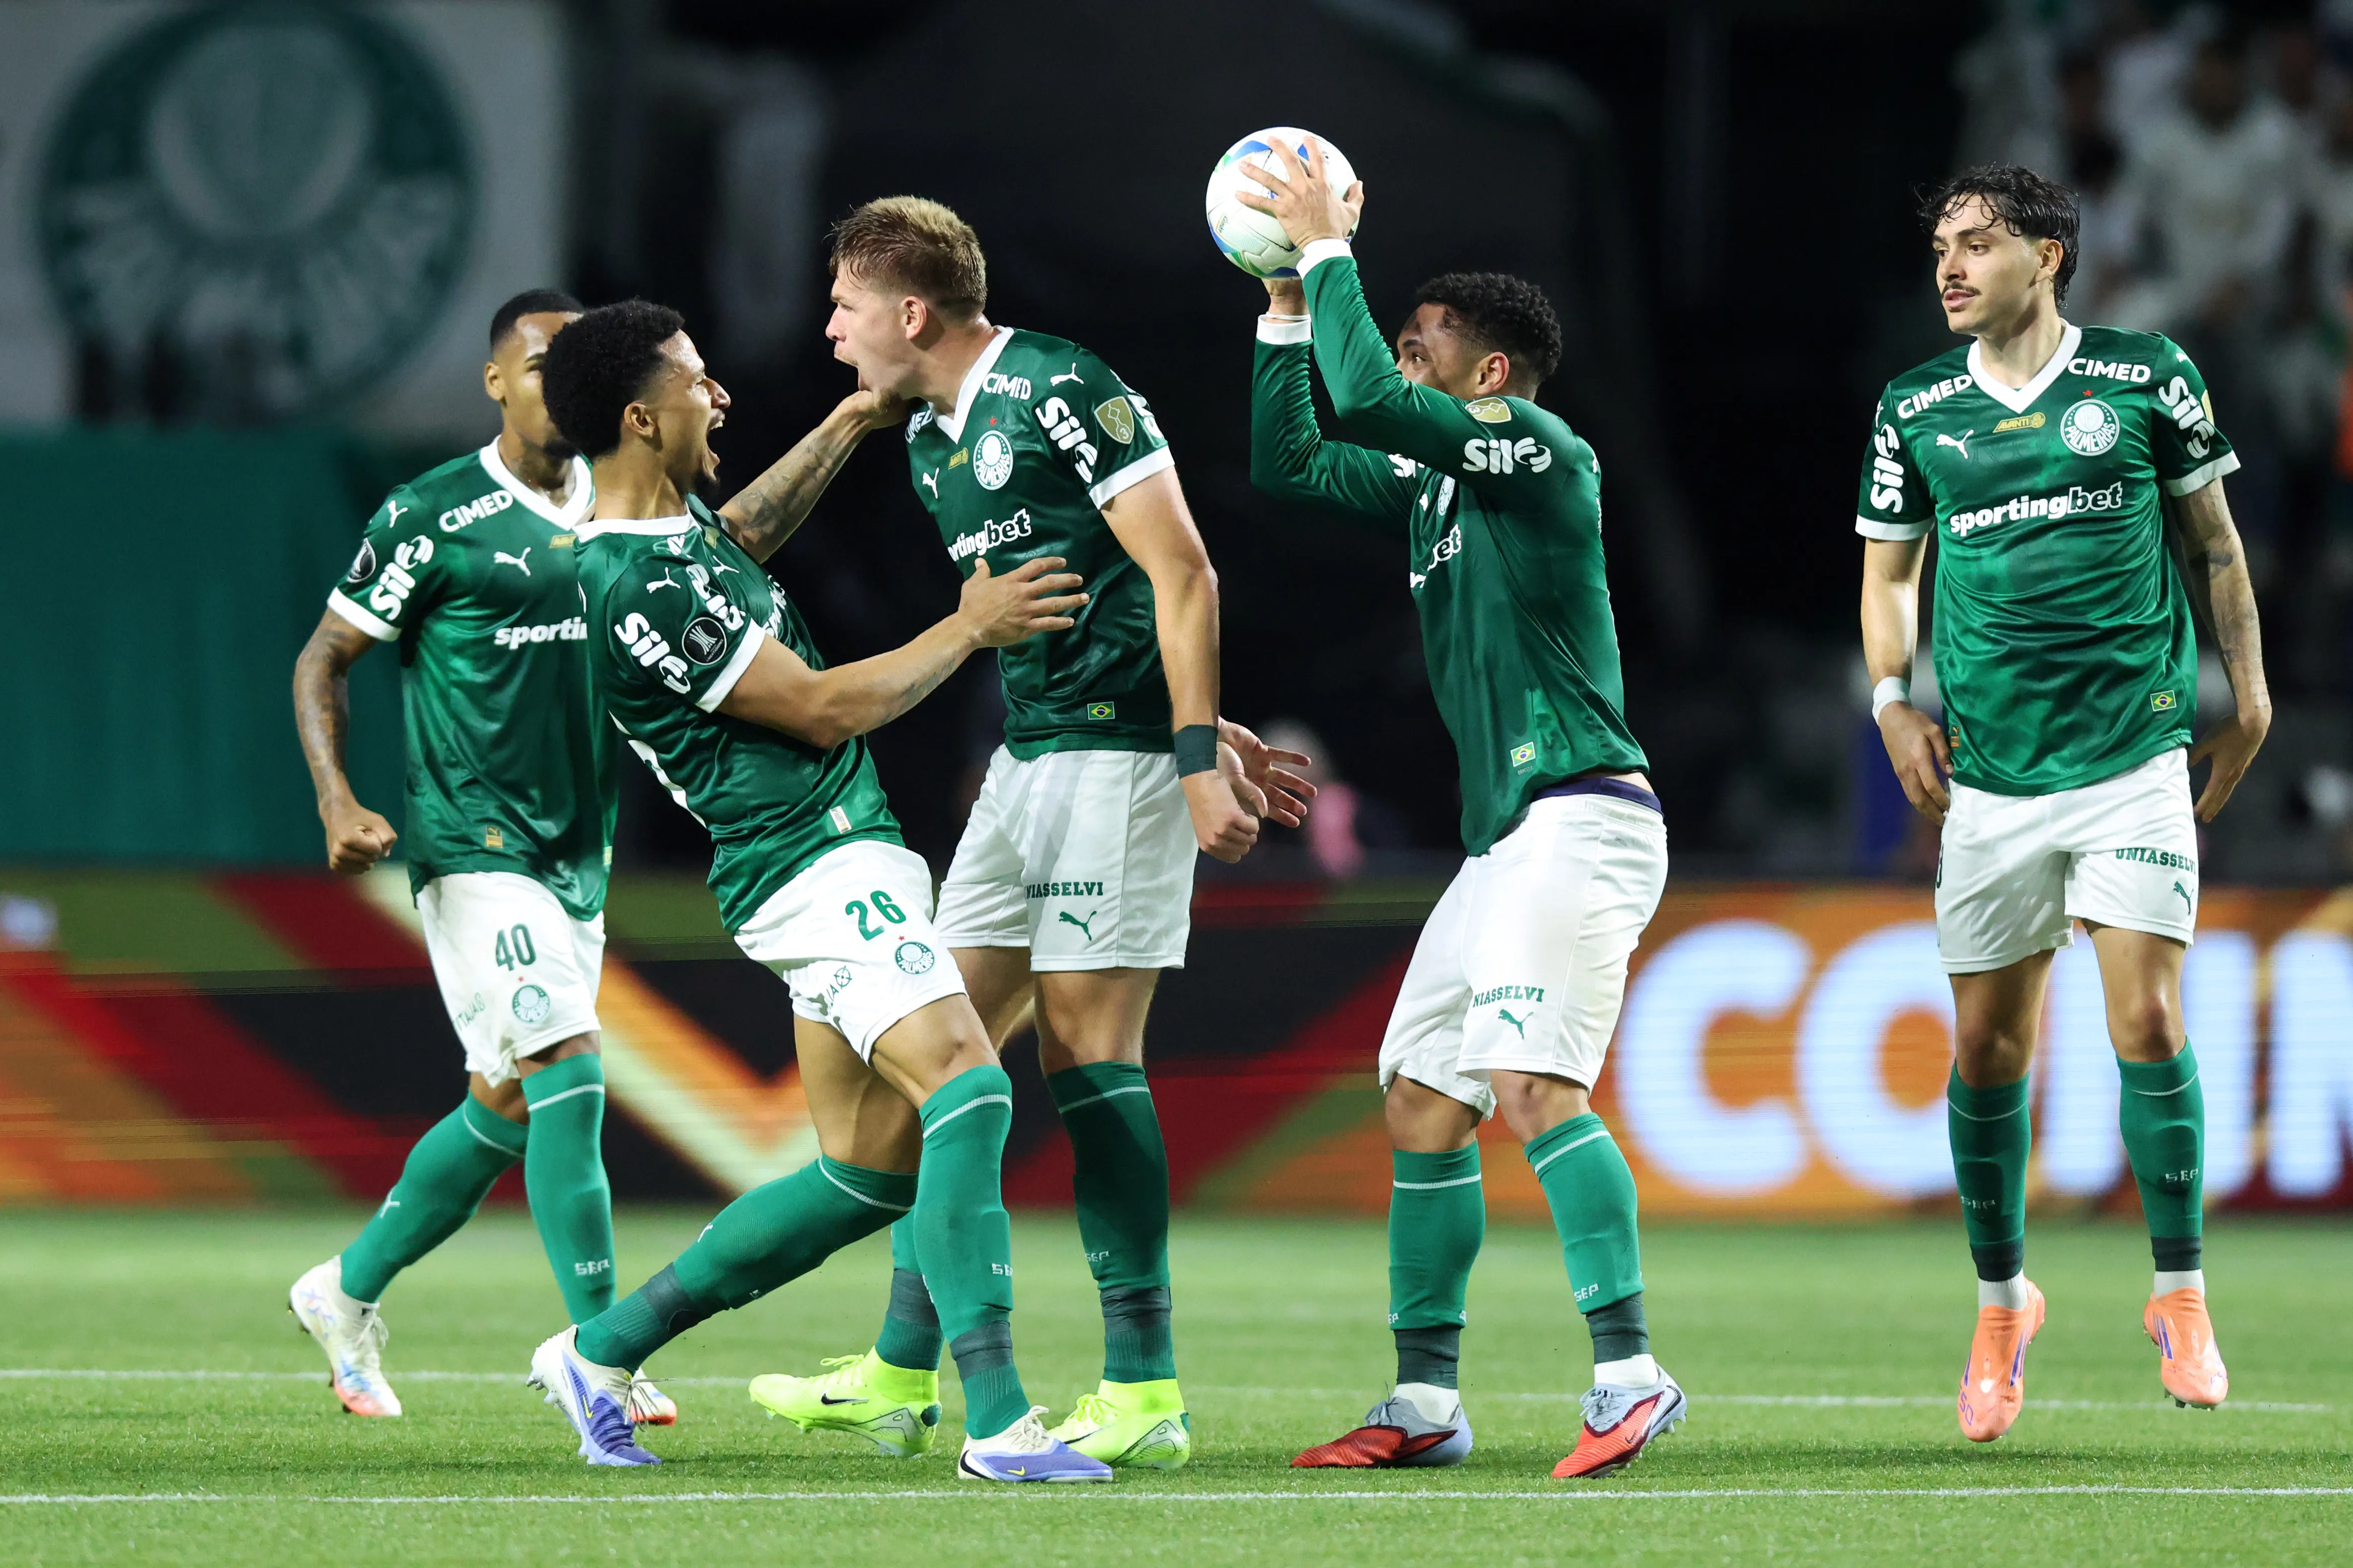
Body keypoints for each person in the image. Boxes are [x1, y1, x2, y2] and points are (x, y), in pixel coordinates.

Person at [745, 196, 1310, 1472]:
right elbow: (1105, 609)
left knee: (1086, 1050)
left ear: (910, 310)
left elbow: (1182, 571)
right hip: (1028, 761)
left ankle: (1144, 1385)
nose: (829, 333)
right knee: (938, 1056)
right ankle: (898, 1373)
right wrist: (1205, 734)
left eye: (842, 307)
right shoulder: (931, 441)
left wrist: (1190, 753)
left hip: (1116, 770)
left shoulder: (1062, 386)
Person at [526, 299, 1110, 1481]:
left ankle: (604, 1348)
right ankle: (999, 1422)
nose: (720, 393)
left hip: (825, 856)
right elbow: (824, 706)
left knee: (865, 1172)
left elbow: (737, 534)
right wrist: (971, 623)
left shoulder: (666, 537)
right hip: (811, 863)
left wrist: (853, 417)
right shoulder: (630, 585)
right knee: (969, 1086)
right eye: (698, 379)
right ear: (642, 416)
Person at [1241, 143, 1680, 1480]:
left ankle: (1629, 1372)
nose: (1398, 358)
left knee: (1530, 1085)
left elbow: (1363, 395)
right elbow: (1293, 460)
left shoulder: (1536, 450)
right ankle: (1424, 1404)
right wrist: (1276, 303)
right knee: (1421, 1098)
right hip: (1508, 836)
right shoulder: (1438, 480)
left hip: (1579, 809)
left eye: (1424, 342)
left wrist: (1326, 252)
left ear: (1487, 375)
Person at [1856, 164, 2269, 1443]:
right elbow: (1889, 576)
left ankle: (2181, 1293)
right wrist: (1888, 698)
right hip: (1990, 774)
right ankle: (2001, 1304)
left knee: (2146, 1016)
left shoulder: (2146, 374)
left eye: (1977, 243)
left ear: (2048, 254)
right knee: (1988, 1052)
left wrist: (2246, 694)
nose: (1950, 265)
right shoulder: (1915, 406)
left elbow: (2212, 542)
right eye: (1939, 246)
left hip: (2135, 752)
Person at [286, 289, 681, 1426]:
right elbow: (326, 656)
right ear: (497, 382)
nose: (564, 381)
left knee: (505, 1101)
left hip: (577, 852)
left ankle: (343, 1290)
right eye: (542, 362)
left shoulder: (620, 504)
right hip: (472, 847)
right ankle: (605, 1347)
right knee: (569, 1063)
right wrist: (337, 797)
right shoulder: (434, 515)